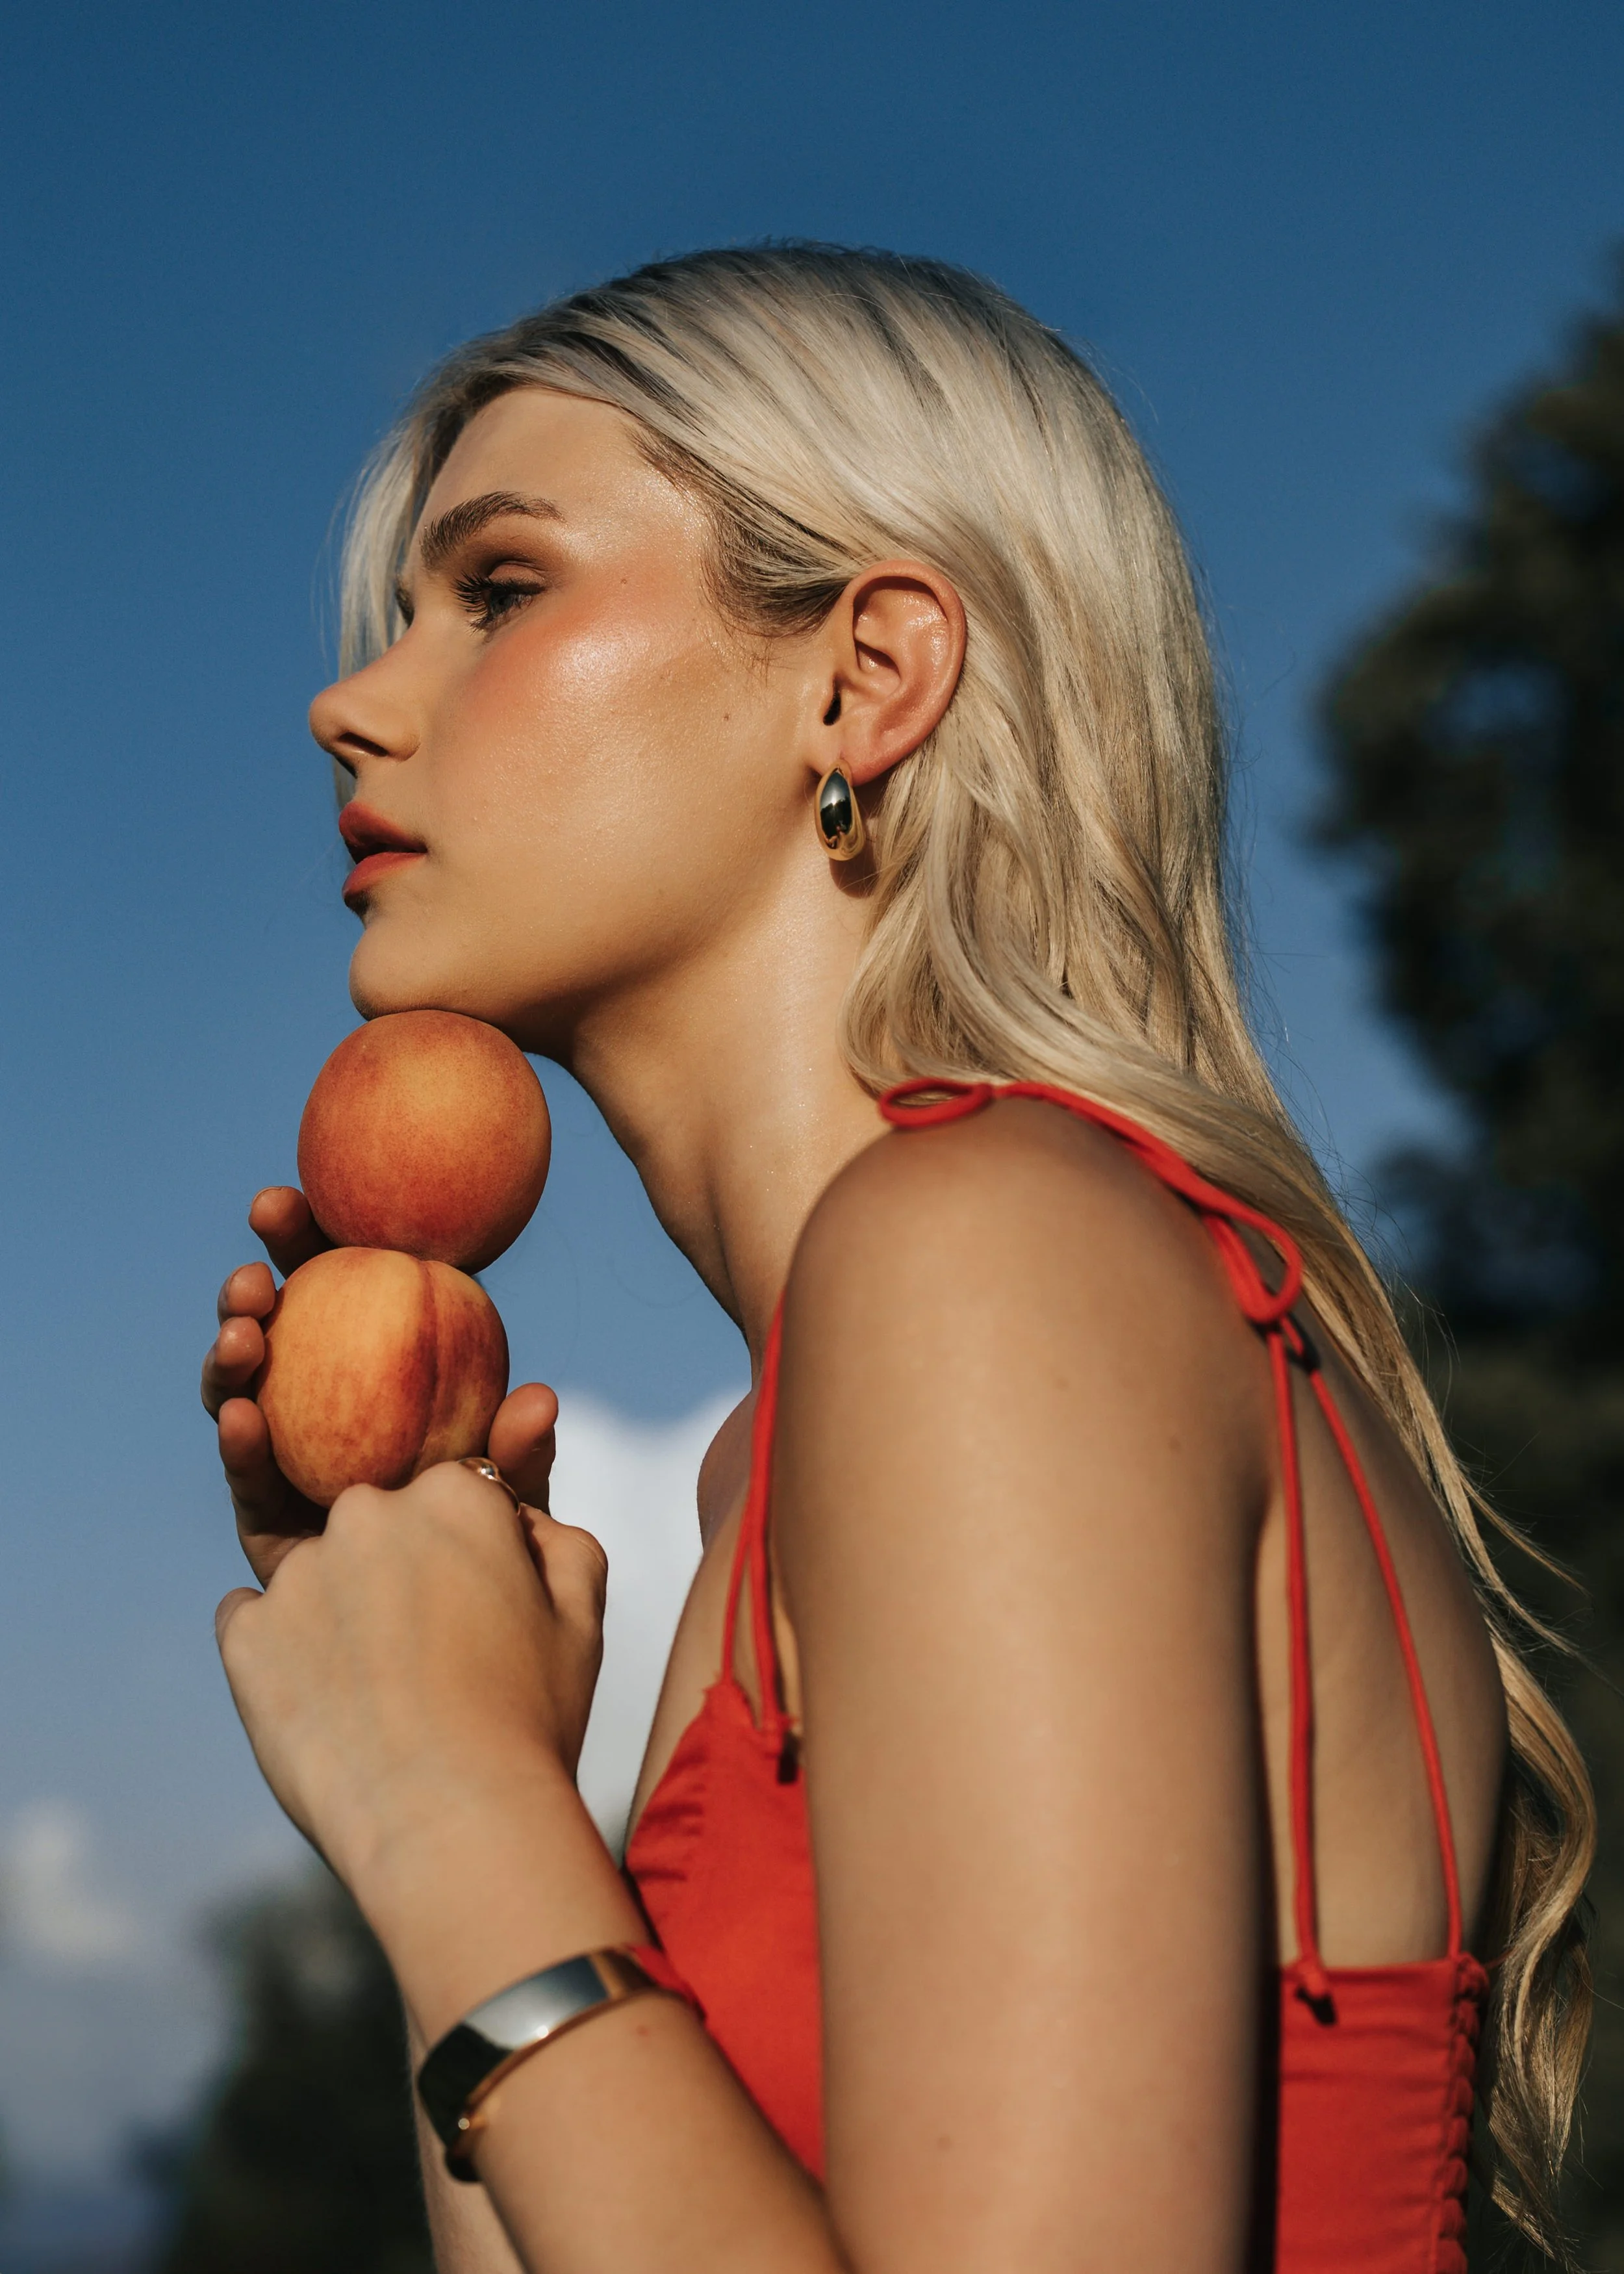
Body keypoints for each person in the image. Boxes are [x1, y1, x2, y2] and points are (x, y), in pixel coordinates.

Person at [199, 246, 1592, 2271]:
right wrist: (470, 1780)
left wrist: (451, 1812)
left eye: (497, 589)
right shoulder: (785, 1444)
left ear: (861, 678)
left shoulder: (990, 1253)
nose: (348, 704)